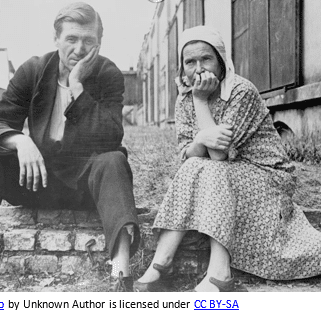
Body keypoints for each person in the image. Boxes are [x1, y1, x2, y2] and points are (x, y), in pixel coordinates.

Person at [0, 2, 140, 292]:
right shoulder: (34, 70)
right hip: (36, 181)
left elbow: (111, 136)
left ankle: (121, 276)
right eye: (71, 39)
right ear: (56, 38)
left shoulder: (107, 74)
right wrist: (20, 140)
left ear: (99, 43)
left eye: (88, 41)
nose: (79, 48)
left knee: (113, 160)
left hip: (84, 186)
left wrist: (77, 87)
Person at [134, 26, 321, 292]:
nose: (198, 69)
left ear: (221, 62)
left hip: (267, 176)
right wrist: (199, 140)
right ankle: (162, 260)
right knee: (200, 166)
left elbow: (219, 154)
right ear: (182, 67)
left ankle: (216, 271)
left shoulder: (240, 92)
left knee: (211, 167)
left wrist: (200, 101)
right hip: (226, 174)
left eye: (206, 59)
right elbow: (188, 155)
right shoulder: (183, 98)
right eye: (190, 62)